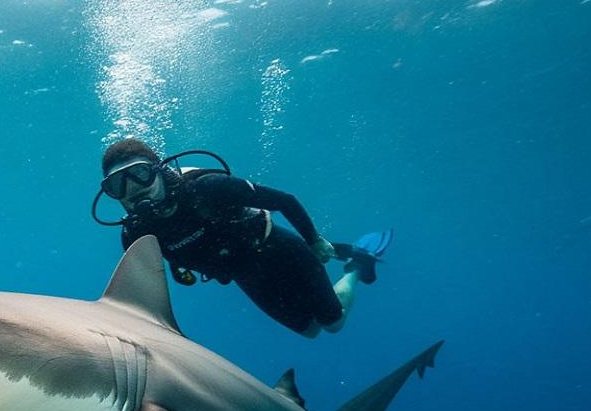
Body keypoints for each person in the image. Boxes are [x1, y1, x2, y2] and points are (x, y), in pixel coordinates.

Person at [94, 138, 390, 338]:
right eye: (118, 184)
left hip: (279, 250)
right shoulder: (135, 234)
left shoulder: (206, 188)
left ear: (159, 171)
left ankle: (353, 268)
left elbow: (285, 201)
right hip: (243, 275)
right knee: (310, 331)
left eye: (140, 174)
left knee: (333, 324)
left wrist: (314, 240)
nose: (132, 188)